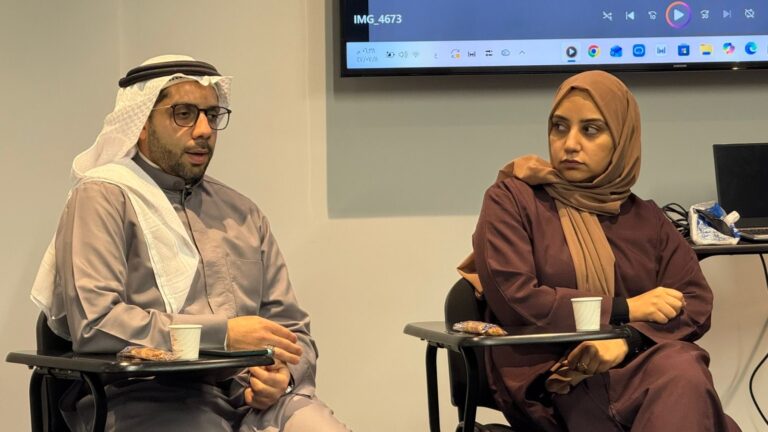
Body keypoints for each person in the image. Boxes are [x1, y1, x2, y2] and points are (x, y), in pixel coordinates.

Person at [30, 54, 350, 432]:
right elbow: (97, 324)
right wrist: (224, 335)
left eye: (212, 115)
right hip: (146, 396)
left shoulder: (242, 213)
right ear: (141, 123)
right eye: (183, 114)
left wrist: (284, 376)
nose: (203, 130)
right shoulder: (104, 198)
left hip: (249, 397)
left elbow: (292, 330)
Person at [458, 70, 740, 431]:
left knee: (683, 372)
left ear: (622, 139)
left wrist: (627, 339)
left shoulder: (646, 218)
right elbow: (517, 297)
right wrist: (625, 309)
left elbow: (695, 301)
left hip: (638, 366)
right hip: (556, 379)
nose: (570, 144)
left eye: (590, 130)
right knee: (688, 381)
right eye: (559, 127)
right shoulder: (513, 200)